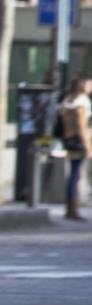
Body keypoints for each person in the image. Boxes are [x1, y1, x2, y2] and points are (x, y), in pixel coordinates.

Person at [58, 77, 92, 221]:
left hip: (69, 139)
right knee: (76, 175)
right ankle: (73, 209)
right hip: (79, 141)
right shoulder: (81, 102)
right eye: (89, 84)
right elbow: (81, 125)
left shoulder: (68, 100)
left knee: (73, 174)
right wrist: (87, 146)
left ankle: (71, 207)